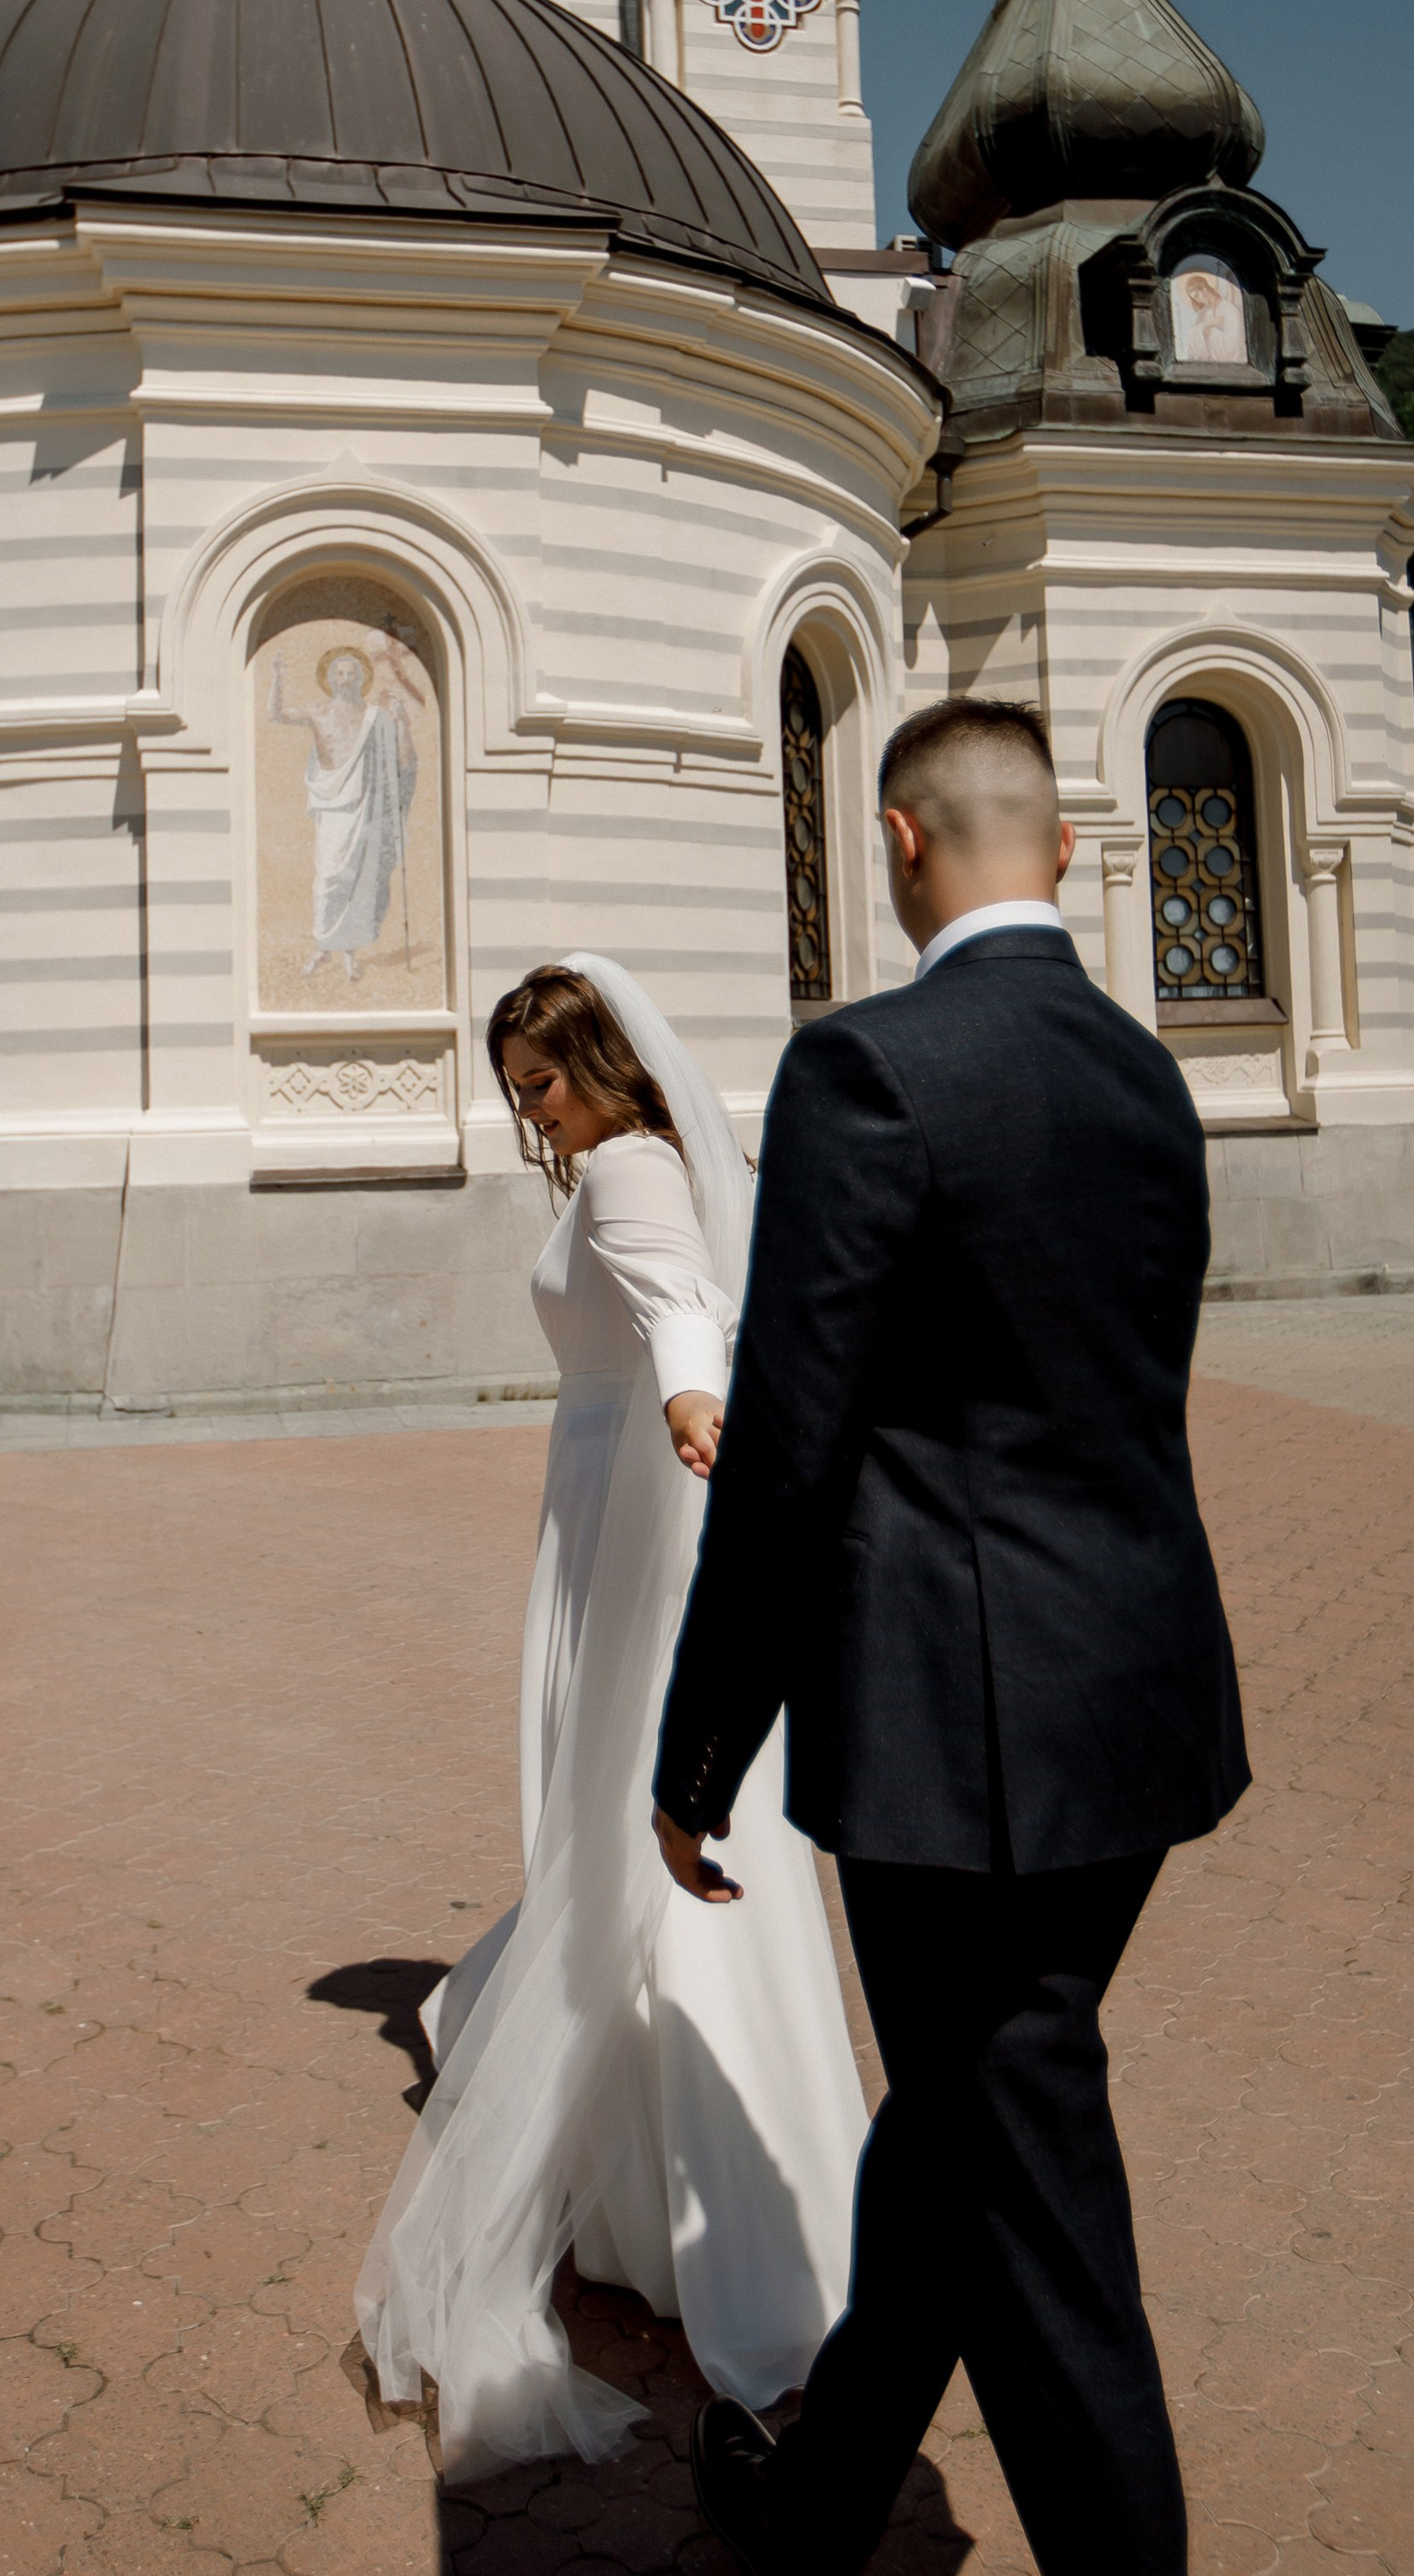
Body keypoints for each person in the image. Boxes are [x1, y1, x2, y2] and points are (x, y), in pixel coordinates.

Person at [653, 698, 1251, 2576]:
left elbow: (788, 1449)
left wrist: (695, 1757)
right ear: (1065, 850)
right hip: (1134, 1708)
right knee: (961, 2131)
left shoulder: (867, 1068)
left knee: (1032, 2199)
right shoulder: (1147, 1074)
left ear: (897, 847)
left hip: (949, 1740)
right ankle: (819, 2490)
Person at [356, 958, 869, 2481]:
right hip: (599, 1512)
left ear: (603, 1066)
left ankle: (715, 2203)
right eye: (516, 1084)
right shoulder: (609, 1161)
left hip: (634, 1516)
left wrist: (692, 1408)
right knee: (594, 1823)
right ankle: (634, 2144)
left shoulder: (632, 1164)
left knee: (622, 1820)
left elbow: (683, 1309)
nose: (532, 1106)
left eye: (545, 1078)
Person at [265, 645, 415, 981]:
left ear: (360, 679)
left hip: (363, 804)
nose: (345, 679)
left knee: (358, 880)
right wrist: (276, 675)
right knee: (329, 878)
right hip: (332, 803)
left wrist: (402, 718)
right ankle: (323, 946)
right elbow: (276, 715)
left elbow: (403, 759)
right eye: (339, 673)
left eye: (351, 673)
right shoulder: (318, 712)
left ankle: (349, 953)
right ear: (330, 679)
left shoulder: (374, 717)